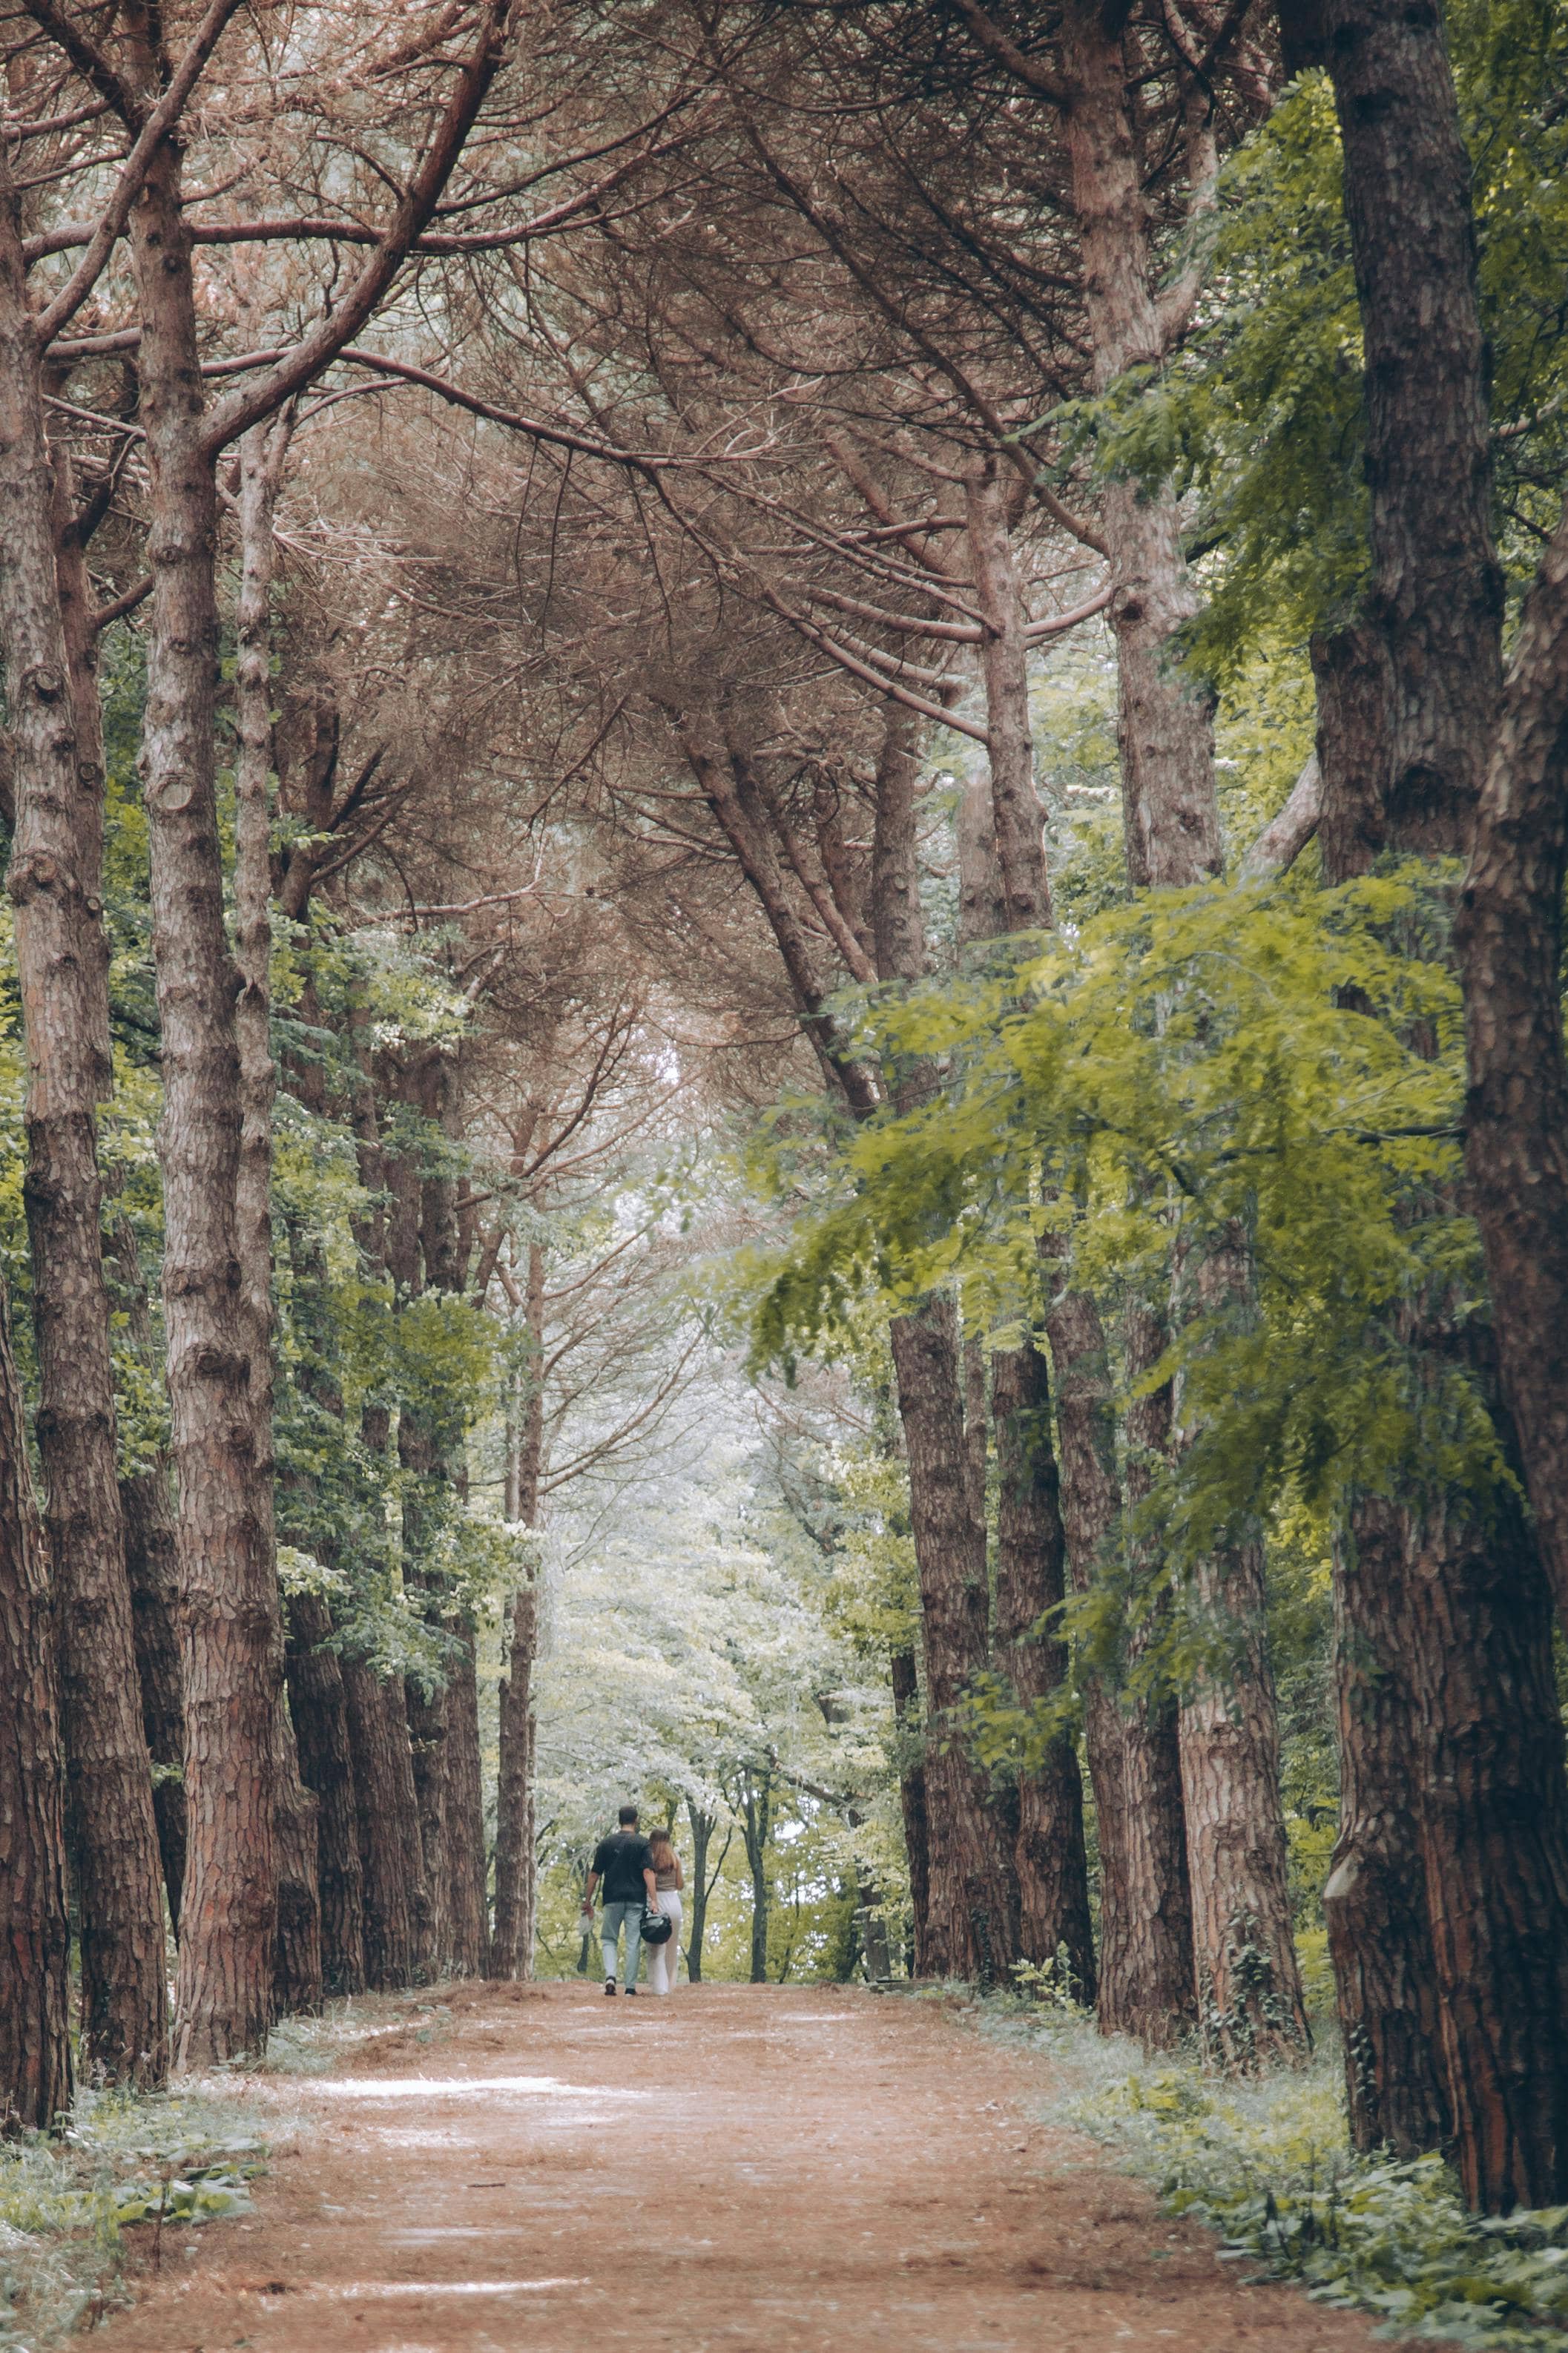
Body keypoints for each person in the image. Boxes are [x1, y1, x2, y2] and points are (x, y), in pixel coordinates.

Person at [583, 1805, 657, 1996]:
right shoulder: (642, 1844)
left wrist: (588, 1899)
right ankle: (630, 1988)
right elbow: (648, 1872)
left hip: (612, 1899)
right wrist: (654, 1900)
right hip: (636, 1900)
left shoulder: (606, 1844)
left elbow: (594, 1874)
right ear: (636, 1820)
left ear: (619, 1820)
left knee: (609, 1939)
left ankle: (610, 1977)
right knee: (633, 1942)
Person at [645, 1826, 684, 1995]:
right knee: (671, 1948)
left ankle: (659, 1988)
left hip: (656, 1902)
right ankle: (670, 1986)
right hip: (674, 1903)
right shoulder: (675, 1859)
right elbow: (680, 1885)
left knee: (656, 1949)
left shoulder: (649, 1859)